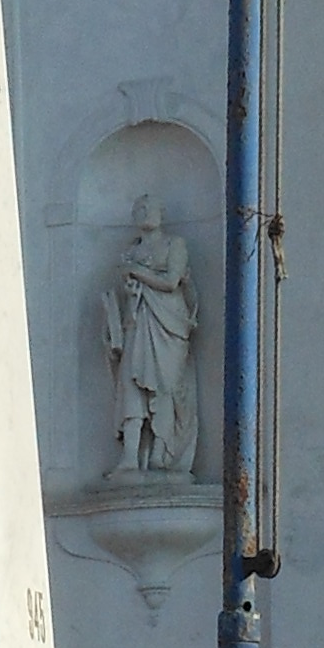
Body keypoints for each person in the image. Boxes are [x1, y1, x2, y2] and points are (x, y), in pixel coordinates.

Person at [102, 198, 201, 477]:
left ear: (162, 213)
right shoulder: (130, 252)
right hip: (138, 319)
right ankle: (130, 456)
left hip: (169, 323)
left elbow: (171, 281)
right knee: (130, 384)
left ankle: (162, 453)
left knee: (165, 386)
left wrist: (136, 272)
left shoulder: (174, 245)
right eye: (140, 208)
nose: (146, 211)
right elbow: (125, 290)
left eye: (151, 207)